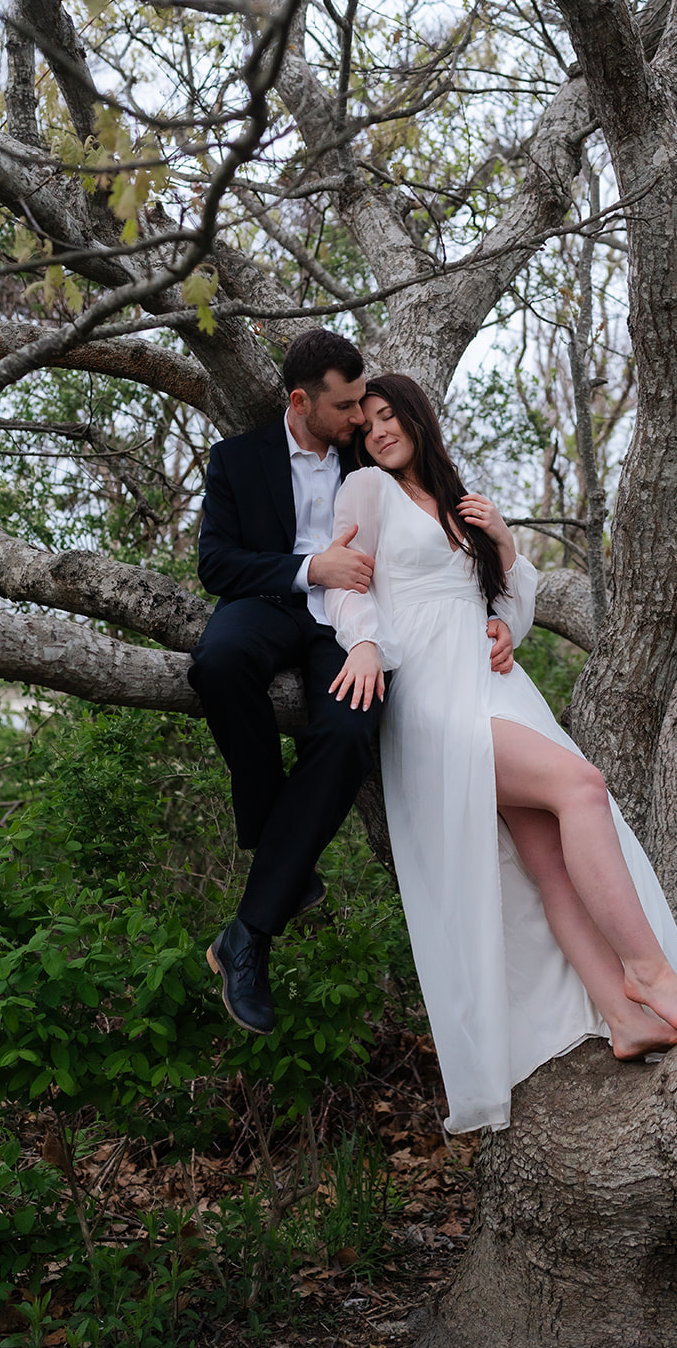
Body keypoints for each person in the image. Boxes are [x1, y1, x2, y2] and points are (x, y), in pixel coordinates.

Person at [324, 373, 677, 1134]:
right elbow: (345, 584)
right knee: (581, 785)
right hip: (435, 695)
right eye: (365, 422)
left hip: (495, 684)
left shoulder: (460, 503)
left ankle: (621, 1018)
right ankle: (646, 969)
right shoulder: (365, 492)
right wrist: (362, 642)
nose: (377, 430)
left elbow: (507, 609)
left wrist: (501, 548)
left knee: (548, 866)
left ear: (416, 418)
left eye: (388, 414)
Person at [189, 331, 513, 1037]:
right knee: (216, 663)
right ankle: (275, 838)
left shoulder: (368, 460)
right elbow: (216, 565)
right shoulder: (238, 460)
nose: (360, 420)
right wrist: (310, 569)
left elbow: (439, 540)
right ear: (300, 401)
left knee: (346, 734)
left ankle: (248, 935)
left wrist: (497, 612)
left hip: (354, 625)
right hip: (272, 605)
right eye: (344, 408)